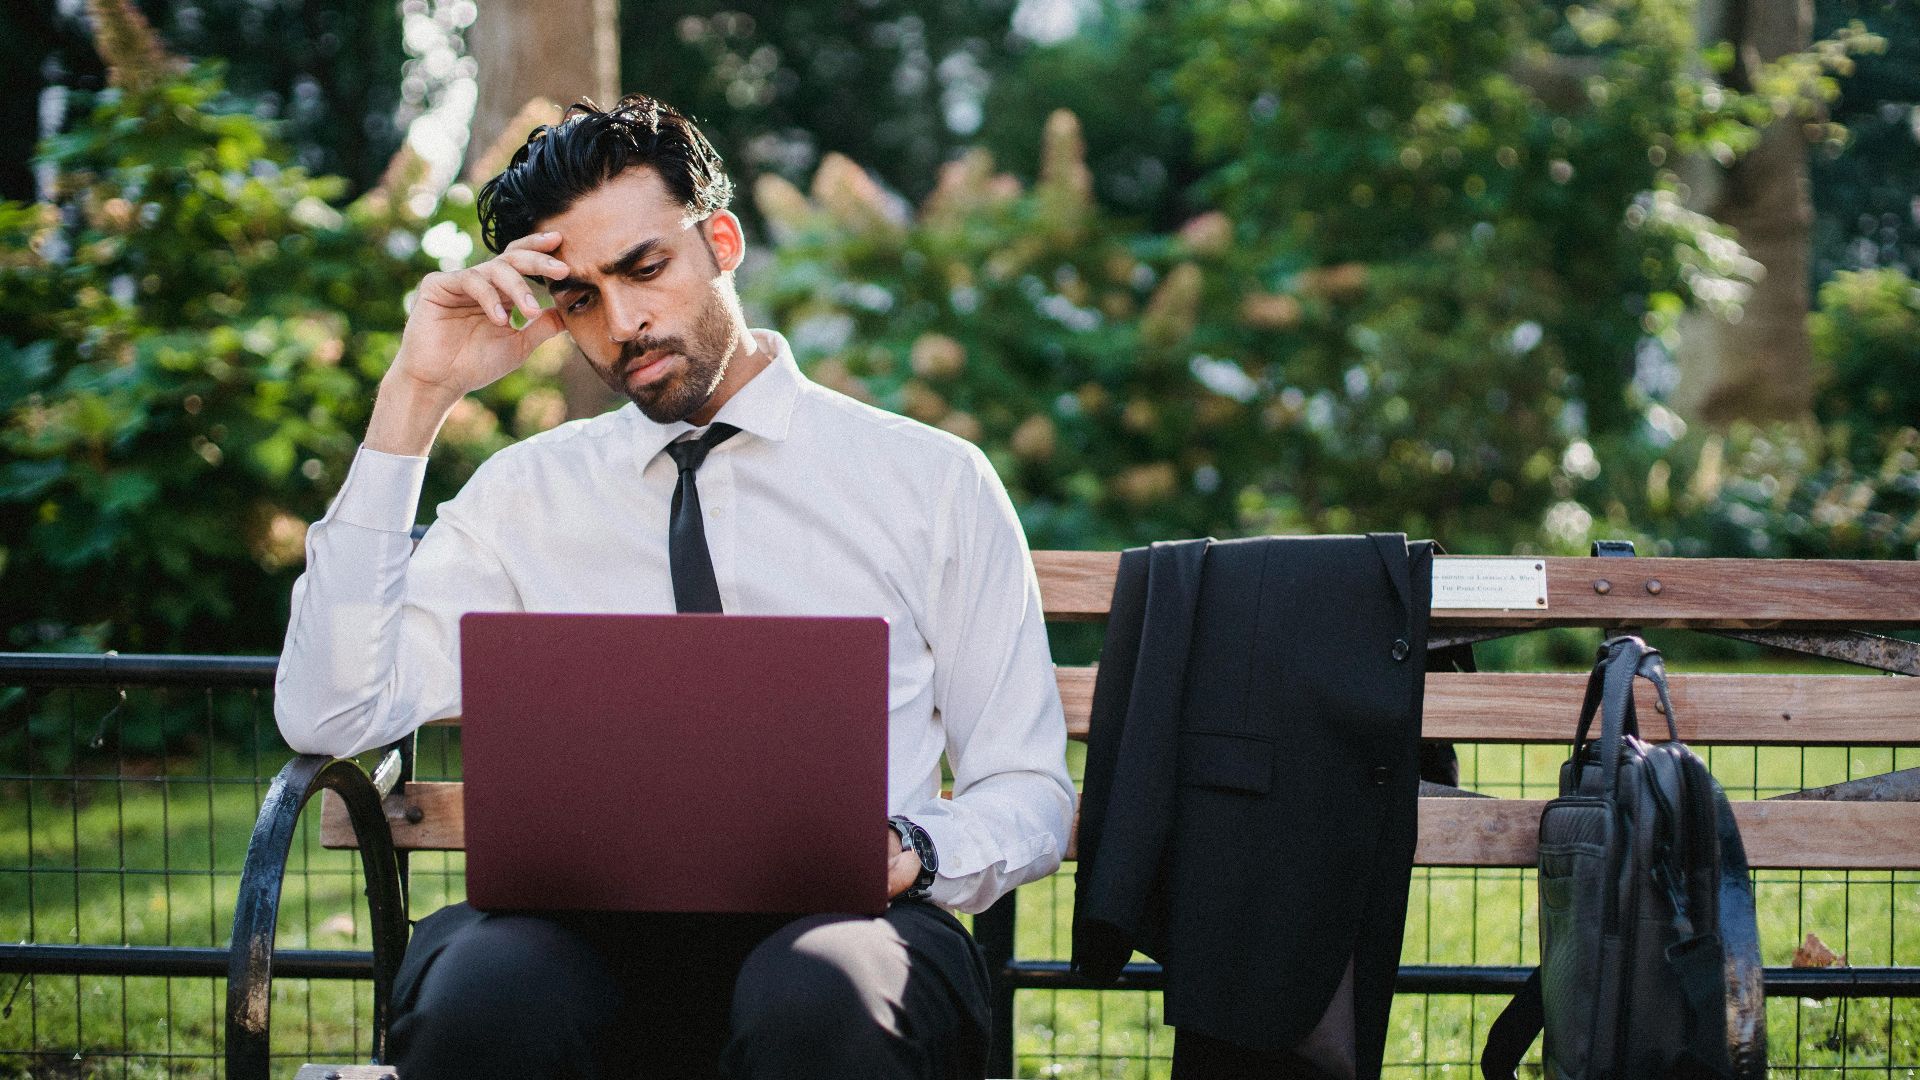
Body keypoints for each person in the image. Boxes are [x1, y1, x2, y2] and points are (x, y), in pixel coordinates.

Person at [273, 93, 1075, 1080]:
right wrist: (416, 394)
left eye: (645, 267)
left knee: (817, 999)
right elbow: (330, 715)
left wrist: (912, 843)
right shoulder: (525, 496)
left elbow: (1030, 789)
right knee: (482, 997)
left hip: (845, 937)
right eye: (579, 297)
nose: (623, 324)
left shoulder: (930, 482)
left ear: (722, 242)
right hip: (576, 942)